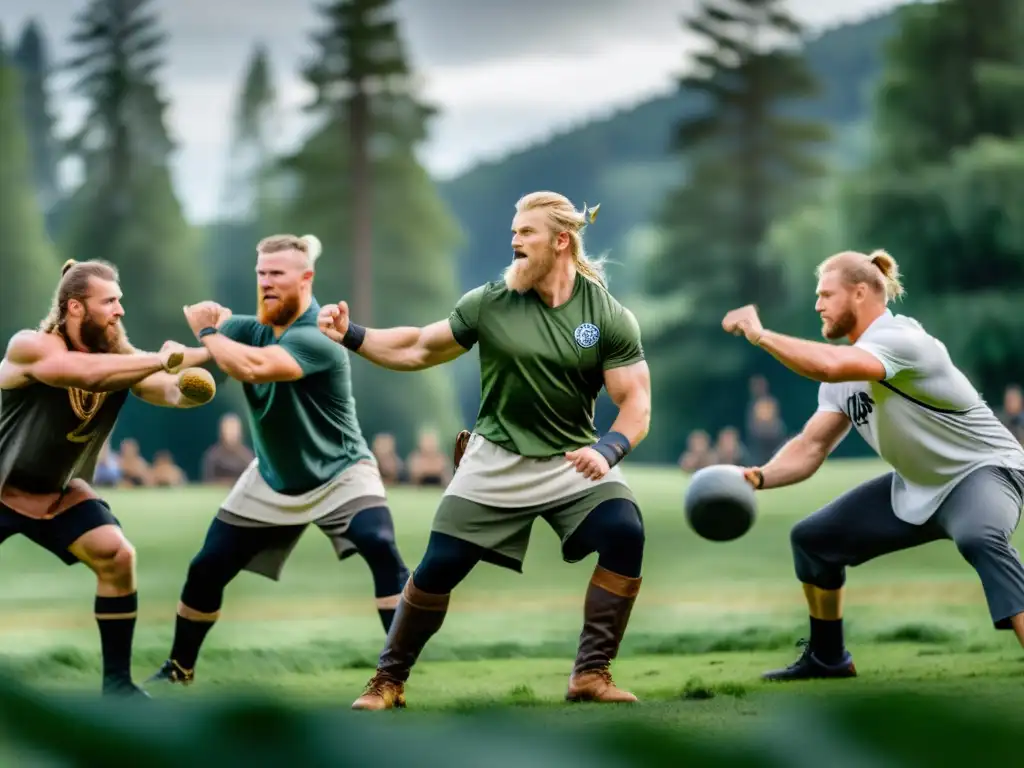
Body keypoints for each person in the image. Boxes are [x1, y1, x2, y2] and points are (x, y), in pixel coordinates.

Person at [319, 191, 652, 710]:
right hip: (495, 458)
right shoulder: (490, 301)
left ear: (561, 241)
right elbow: (418, 347)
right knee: (439, 567)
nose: (514, 241)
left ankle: (591, 673)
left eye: (526, 233)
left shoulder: (607, 315)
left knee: (624, 531)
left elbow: (635, 403)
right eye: (514, 231)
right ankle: (388, 680)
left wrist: (608, 450)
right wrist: (351, 334)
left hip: (572, 459)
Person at [721, 249, 1024, 681]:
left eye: (826, 294)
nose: (817, 305)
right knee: (813, 540)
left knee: (979, 536)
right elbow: (810, 447)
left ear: (860, 293)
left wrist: (760, 334)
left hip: (986, 470)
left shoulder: (904, 340)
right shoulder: (845, 377)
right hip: (917, 487)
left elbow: (827, 365)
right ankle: (828, 658)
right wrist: (757, 476)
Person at [147, 234, 410, 687]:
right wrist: (172, 356)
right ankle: (179, 668)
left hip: (341, 472)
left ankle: (395, 675)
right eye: (261, 274)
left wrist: (207, 330)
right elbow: (200, 357)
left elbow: (251, 366)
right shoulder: (248, 329)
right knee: (206, 567)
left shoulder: (319, 337)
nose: (266, 283)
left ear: (306, 278)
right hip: (272, 476)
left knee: (379, 544)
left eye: (277, 275)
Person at [0, 259, 213, 696]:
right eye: (110, 302)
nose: (120, 310)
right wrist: (161, 359)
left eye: (120, 301)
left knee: (116, 557)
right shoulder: (32, 346)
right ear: (75, 308)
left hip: (52, 494)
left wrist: (189, 390)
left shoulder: (121, 358)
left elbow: (165, 389)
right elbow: (86, 374)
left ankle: (118, 687)